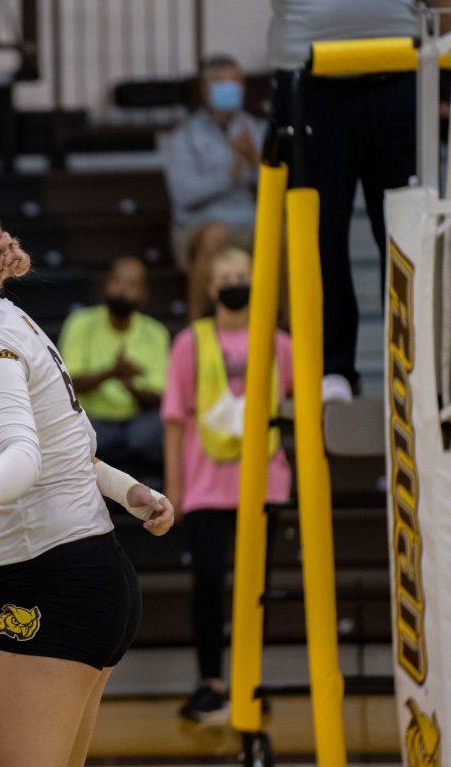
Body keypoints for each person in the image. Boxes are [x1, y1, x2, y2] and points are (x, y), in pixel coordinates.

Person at [70, 0, 451, 398]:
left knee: (409, 233)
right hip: (311, 87)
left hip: (400, 81)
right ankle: (332, 369)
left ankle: (415, 368)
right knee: (318, 234)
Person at [0, 194, 174, 766]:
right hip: (87, 575)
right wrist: (129, 491)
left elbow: (24, 451)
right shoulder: (8, 323)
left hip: (59, 584)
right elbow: (64, 448)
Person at [160, 246, 293, 723]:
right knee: (210, 581)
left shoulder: (279, 343)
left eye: (243, 274)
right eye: (226, 276)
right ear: (211, 287)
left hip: (266, 482)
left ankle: (249, 680)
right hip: (205, 485)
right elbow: (174, 419)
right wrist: (174, 488)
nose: (235, 282)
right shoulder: (190, 343)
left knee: (255, 588)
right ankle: (210, 682)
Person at [162, 56, 266, 320]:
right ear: (204, 89)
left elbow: (279, 188)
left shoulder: (256, 130)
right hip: (198, 225)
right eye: (220, 81)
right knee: (215, 234)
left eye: (234, 81)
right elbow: (184, 195)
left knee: (284, 236)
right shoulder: (184, 135)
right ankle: (196, 326)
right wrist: (231, 174)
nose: (229, 87)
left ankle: (284, 329)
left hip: (250, 222)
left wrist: (256, 162)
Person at [59, 256, 169, 470]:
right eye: (117, 281)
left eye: (132, 284)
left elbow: (158, 398)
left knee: (150, 432)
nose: (122, 290)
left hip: (138, 421)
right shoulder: (81, 322)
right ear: (106, 284)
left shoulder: (156, 332)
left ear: (143, 293)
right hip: (92, 416)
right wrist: (112, 372)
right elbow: (68, 382)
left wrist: (129, 385)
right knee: (83, 429)